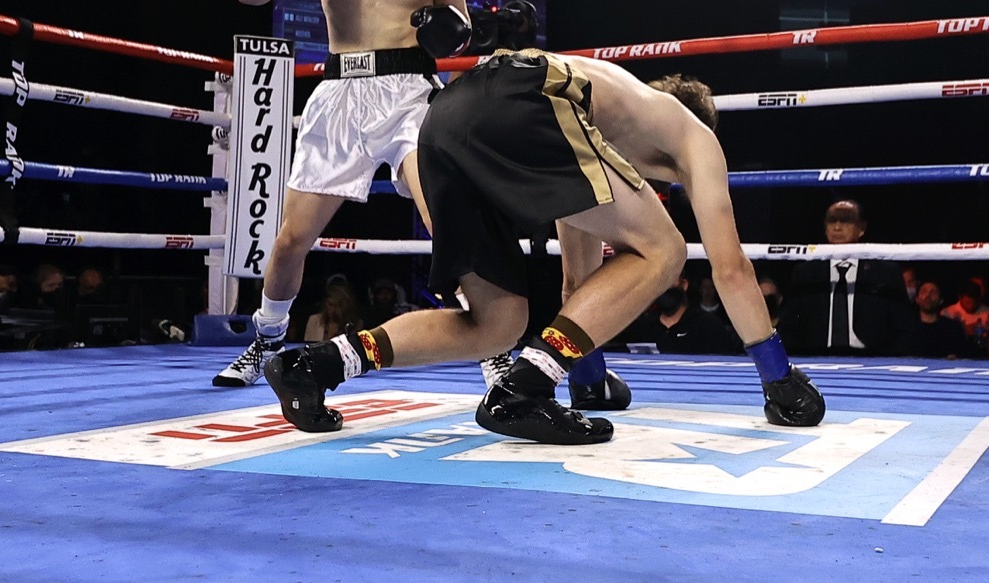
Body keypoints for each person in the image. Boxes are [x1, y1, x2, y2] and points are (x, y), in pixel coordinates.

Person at [265, 57, 825, 445]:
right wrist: (779, 378)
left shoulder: (595, 137)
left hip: (448, 119)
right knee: (666, 250)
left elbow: (577, 286)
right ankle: (523, 389)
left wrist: (588, 379)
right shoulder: (692, 133)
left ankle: (313, 365)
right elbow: (729, 267)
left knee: (497, 322)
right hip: (524, 96)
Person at [213, 0, 469, 387]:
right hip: (340, 94)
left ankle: (490, 345)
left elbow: (459, 31)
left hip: (410, 95)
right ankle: (267, 340)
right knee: (289, 240)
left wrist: (455, 34)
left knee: (445, 218)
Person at [777, 199, 915, 356]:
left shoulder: (885, 272)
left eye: (845, 220)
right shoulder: (806, 273)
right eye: (831, 221)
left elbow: (904, 329)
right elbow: (789, 328)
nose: (837, 227)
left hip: (873, 358)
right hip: (816, 357)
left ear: (861, 228)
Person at [902, 280, 970, 359]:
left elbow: (964, 355)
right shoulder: (906, 328)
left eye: (933, 292)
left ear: (940, 300)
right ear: (917, 299)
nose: (928, 296)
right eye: (924, 292)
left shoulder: (953, 328)